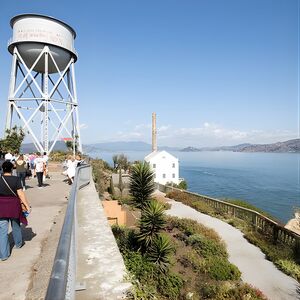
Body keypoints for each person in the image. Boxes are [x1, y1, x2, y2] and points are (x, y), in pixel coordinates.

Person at [0, 161, 30, 261]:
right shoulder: (16, 179)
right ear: (12, 169)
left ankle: (4, 255)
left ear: (2, 169)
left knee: (2, 231)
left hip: (1, 206)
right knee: (16, 225)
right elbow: (20, 194)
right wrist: (27, 205)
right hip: (14, 205)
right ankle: (18, 244)